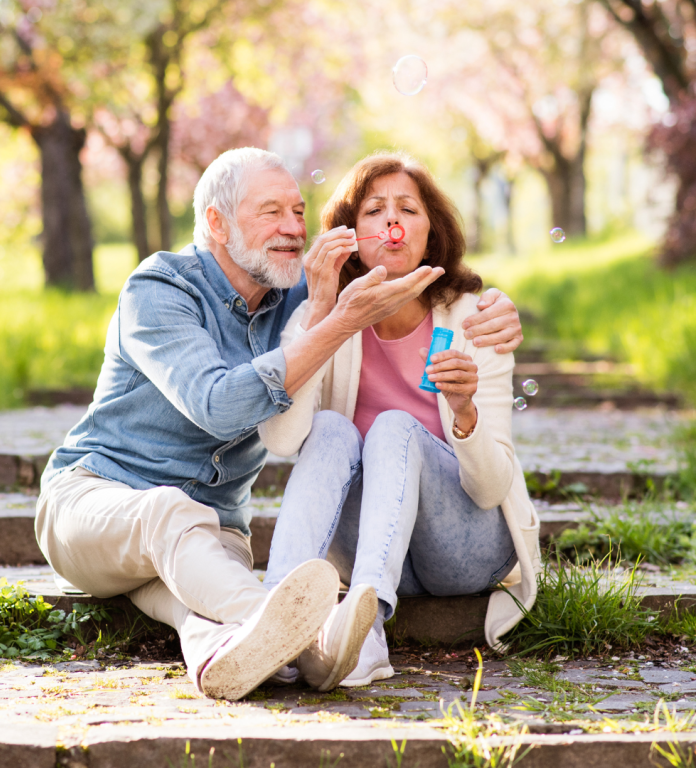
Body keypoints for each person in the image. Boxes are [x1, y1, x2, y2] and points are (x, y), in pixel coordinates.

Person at [35, 147, 524, 700]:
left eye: (298, 211)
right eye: (272, 212)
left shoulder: (301, 294)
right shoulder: (161, 289)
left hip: (214, 533)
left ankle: (230, 660)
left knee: (194, 614)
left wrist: (499, 306)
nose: (293, 228)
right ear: (216, 223)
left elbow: (371, 281)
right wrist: (331, 320)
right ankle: (309, 633)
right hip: (95, 502)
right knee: (168, 514)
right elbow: (219, 406)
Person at [260, 152, 540, 687]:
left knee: (392, 427)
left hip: (463, 547)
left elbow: (491, 488)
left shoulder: (475, 320)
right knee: (330, 429)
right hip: (372, 545)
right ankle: (278, 622)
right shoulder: (319, 318)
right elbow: (281, 437)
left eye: (408, 208)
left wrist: (465, 414)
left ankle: (365, 636)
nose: (392, 222)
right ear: (348, 235)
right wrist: (321, 317)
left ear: (430, 233)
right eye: (374, 210)